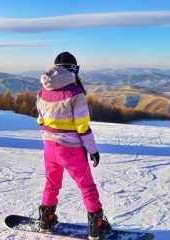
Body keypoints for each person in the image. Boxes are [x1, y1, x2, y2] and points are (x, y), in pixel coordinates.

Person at [36, 52, 111, 239]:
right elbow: (83, 127)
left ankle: (46, 220)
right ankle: (97, 226)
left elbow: (40, 120)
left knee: (52, 184)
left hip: (49, 146)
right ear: (72, 69)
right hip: (70, 149)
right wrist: (93, 151)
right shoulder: (75, 93)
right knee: (87, 186)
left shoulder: (42, 90)